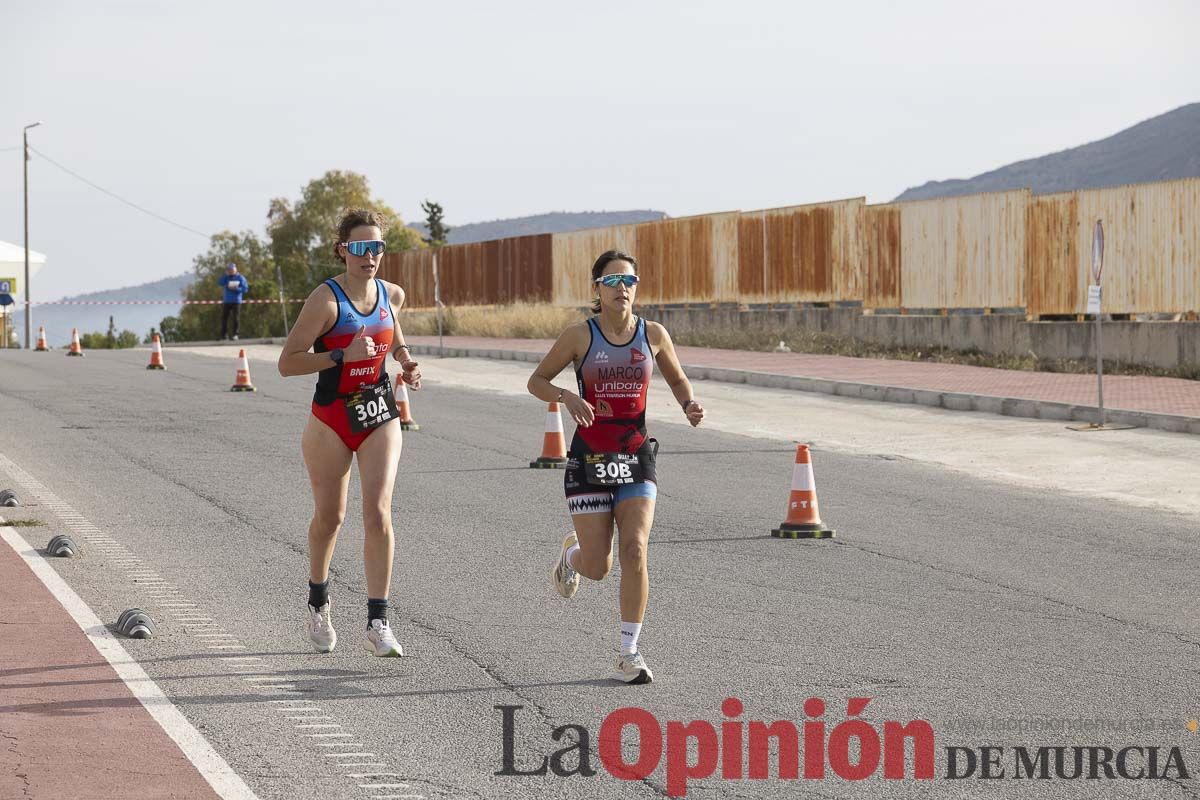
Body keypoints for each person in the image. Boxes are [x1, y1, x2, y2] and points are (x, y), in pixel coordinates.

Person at [527, 250, 705, 684]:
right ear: (597, 289)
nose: (622, 288)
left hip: (636, 456)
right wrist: (567, 397)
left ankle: (629, 651)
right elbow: (537, 381)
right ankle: (571, 558)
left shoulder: (654, 334)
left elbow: (677, 377)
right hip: (589, 459)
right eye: (612, 281)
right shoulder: (579, 336)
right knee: (598, 567)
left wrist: (688, 403)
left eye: (629, 281)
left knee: (636, 550)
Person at [277, 209, 422, 657]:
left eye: (376, 247)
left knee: (378, 511)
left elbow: (393, 330)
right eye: (360, 248)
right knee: (330, 519)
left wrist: (405, 359)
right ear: (343, 249)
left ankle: (378, 621)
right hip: (331, 420)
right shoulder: (325, 300)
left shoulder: (390, 293)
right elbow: (288, 363)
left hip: (379, 412)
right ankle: (318, 601)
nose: (370, 256)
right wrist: (339, 356)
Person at [218, 264, 248, 340]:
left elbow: (245, 289)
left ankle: (236, 334)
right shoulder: (226, 278)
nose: (231, 272)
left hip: (236, 301)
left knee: (236, 318)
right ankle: (224, 335)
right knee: (224, 318)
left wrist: (236, 289)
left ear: (235, 270)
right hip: (227, 301)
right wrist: (225, 275)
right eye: (229, 270)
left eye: (232, 270)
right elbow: (220, 282)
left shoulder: (240, 278)